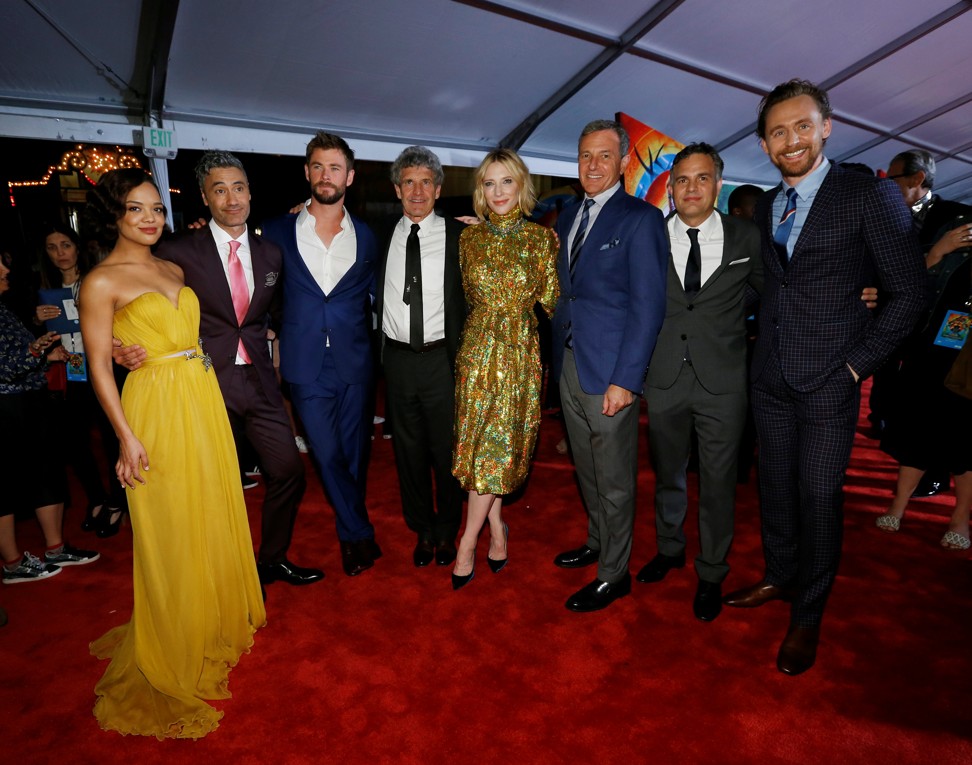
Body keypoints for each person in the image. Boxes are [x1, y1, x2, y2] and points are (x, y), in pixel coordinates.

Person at [723, 80, 925, 675]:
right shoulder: (764, 204)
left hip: (832, 382)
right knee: (775, 490)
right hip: (771, 377)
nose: (792, 140)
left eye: (803, 126)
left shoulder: (868, 197)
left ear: (827, 127)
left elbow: (909, 294)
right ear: (764, 143)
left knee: (818, 498)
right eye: (779, 131)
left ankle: (808, 615)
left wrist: (857, 367)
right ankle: (779, 578)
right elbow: (778, 283)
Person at [80, 168, 265, 738]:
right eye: (136, 209)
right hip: (154, 410)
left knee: (209, 508)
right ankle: (174, 639)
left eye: (156, 208)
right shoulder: (100, 282)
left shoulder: (173, 268)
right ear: (114, 216)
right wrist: (125, 436)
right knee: (170, 523)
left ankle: (210, 619)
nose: (150, 218)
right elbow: (97, 367)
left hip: (201, 398)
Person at [116, 151, 322, 588]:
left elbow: (273, 313)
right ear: (205, 199)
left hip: (260, 381)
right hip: (201, 383)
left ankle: (271, 560)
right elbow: (129, 293)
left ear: (250, 192)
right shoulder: (175, 252)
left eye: (239, 187)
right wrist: (119, 344)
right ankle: (218, 574)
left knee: (287, 470)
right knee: (207, 484)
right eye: (219, 190)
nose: (232, 199)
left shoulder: (271, 253)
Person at [638, 143, 762, 622]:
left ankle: (711, 571)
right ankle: (670, 549)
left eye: (702, 178)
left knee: (717, 484)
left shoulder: (746, 237)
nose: (692, 188)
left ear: (718, 184)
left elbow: (779, 294)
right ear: (670, 188)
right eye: (683, 180)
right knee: (667, 475)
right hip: (664, 376)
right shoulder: (648, 234)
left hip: (724, 382)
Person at [551, 119, 668, 612]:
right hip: (570, 364)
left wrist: (627, 379)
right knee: (587, 469)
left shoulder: (641, 219)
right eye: (584, 156)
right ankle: (598, 541)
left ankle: (614, 574)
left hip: (611, 375)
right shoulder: (566, 216)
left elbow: (649, 305)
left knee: (616, 478)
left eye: (603, 156)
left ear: (623, 162)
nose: (592, 165)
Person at [262, 132, 382, 577]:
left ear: (349, 176)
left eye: (334, 167)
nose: (325, 175)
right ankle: (360, 531)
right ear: (306, 172)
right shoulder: (275, 232)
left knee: (354, 454)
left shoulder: (368, 237)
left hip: (355, 361)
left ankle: (350, 540)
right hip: (304, 362)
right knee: (326, 452)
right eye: (318, 166)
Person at [450, 149, 559, 590]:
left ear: (522, 186)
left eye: (506, 182)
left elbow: (554, 302)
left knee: (498, 452)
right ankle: (496, 530)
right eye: (489, 184)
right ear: (480, 190)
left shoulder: (541, 241)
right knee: (479, 451)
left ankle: (466, 542)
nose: (498, 192)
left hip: (518, 356)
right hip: (475, 354)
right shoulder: (467, 239)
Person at [375, 146, 466, 568]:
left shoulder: (462, 236)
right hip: (395, 359)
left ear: (438, 189)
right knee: (407, 452)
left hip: (441, 360)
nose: (417, 190)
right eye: (408, 182)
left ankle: (447, 530)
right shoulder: (375, 235)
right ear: (397, 189)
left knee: (446, 451)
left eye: (425, 182)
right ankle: (422, 530)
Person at [1, 250, 99, 584]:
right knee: (7, 485)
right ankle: (13, 564)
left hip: (32, 399)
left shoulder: (4, 309)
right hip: (6, 408)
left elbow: (23, 354)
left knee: (47, 472)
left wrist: (44, 354)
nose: (5, 269)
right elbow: (7, 366)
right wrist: (33, 351)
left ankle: (55, 548)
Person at [877, 215, 972, 549]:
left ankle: (960, 519)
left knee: (965, 444)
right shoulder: (955, 234)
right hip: (931, 354)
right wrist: (938, 254)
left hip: (969, 364)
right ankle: (898, 506)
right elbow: (909, 292)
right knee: (917, 433)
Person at [36, 223, 127, 537]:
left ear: (77, 247)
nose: (60, 253)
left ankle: (118, 501)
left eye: (65, 244)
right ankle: (97, 499)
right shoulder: (43, 291)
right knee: (75, 444)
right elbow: (36, 341)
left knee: (113, 438)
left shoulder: (97, 280)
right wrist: (38, 321)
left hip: (104, 369)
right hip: (69, 374)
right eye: (52, 247)